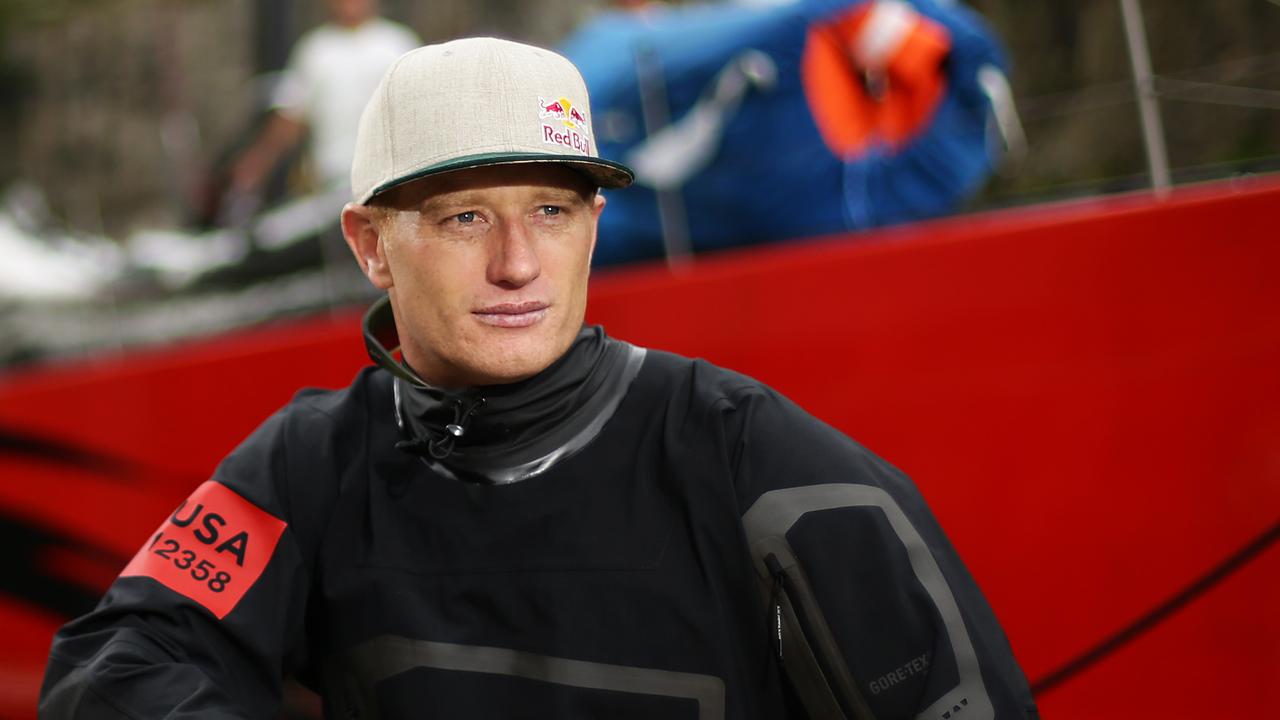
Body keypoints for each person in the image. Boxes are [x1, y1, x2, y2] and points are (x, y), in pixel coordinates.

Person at [40, 38, 1038, 719]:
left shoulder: (751, 459)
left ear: (592, 225)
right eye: (465, 216)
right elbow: (115, 666)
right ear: (370, 245)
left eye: (552, 211)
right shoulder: (308, 463)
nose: (518, 263)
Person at [228, 0, 419, 198]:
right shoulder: (315, 49)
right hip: (331, 183)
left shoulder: (398, 44)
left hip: (389, 179)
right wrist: (255, 164)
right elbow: (291, 118)